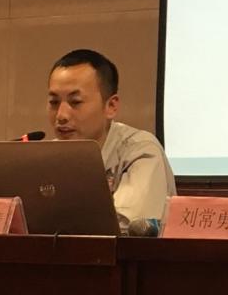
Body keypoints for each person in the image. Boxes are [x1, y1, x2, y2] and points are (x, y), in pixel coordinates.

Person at [47, 49, 175, 229]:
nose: (61, 116)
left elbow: (125, 230)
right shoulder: (46, 157)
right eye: (54, 102)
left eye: (75, 102)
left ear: (111, 106)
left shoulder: (141, 150)